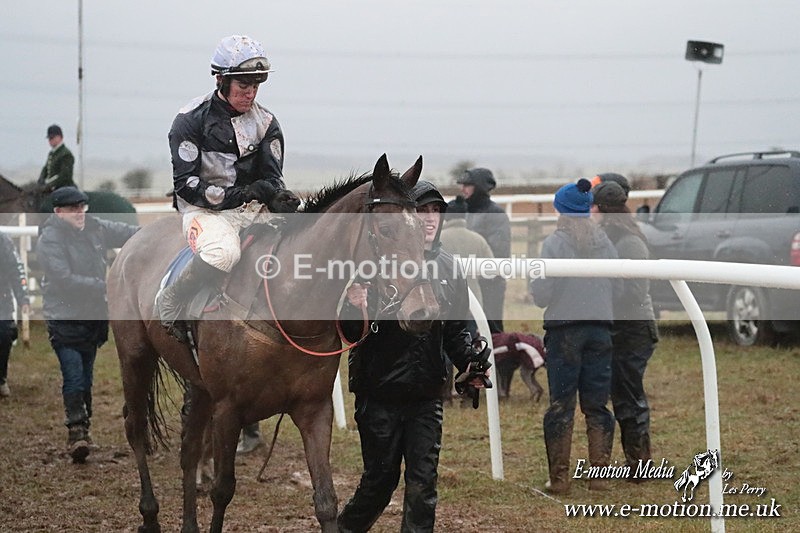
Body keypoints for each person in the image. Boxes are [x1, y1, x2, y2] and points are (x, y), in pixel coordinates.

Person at [337, 181, 491, 532]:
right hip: (378, 394)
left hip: (426, 395)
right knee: (379, 483)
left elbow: (456, 329)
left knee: (423, 484)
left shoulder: (449, 267)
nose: (430, 219)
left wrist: (470, 363)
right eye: (423, 211)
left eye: (437, 212)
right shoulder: (372, 262)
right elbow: (349, 334)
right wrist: (354, 306)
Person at [157, 34, 301, 342]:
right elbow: (186, 185)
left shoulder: (266, 122)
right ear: (221, 80)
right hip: (204, 212)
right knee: (223, 254)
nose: (250, 94)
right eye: (243, 86)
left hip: (251, 210)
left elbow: (272, 176)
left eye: (256, 86)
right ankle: (172, 297)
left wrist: (278, 196)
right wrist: (244, 194)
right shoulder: (189, 120)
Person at [36, 186, 139, 463]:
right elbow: (63, 279)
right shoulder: (50, 239)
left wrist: (157, 233)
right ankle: (76, 430)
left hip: (92, 322)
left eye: (82, 207)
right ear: (58, 212)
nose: (79, 212)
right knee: (74, 376)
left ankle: (83, 426)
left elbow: (129, 233)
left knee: (87, 379)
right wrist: (107, 287)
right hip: (64, 320)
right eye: (73, 208)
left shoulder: (95, 227)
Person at [530, 178, 619, 494]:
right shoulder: (605, 242)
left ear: (559, 210)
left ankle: (559, 479)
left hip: (565, 331)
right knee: (597, 405)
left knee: (561, 405)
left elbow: (541, 294)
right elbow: (617, 285)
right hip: (601, 330)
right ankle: (600, 475)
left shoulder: (553, 244)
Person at [592, 178, 658, 478]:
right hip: (622, 327)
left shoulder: (630, 241)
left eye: (594, 208)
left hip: (633, 329)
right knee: (622, 394)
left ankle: (640, 464)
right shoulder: (612, 236)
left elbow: (633, 292)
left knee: (629, 397)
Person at [457, 167, 510, 333]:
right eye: (462, 185)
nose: (463, 189)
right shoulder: (463, 212)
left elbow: (498, 252)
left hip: (489, 285)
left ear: (479, 187)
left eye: (468, 185)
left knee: (490, 331)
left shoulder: (496, 214)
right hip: (467, 282)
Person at [0, 231, 29, 398]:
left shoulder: (3, 241)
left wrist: (23, 298)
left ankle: (1, 378)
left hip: (1, 301)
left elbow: (16, 270)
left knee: (5, 335)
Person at [37, 124, 76, 193]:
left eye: (52, 138)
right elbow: (46, 168)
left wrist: (49, 185)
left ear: (59, 137)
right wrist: (41, 179)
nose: (50, 140)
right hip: (52, 189)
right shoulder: (52, 153)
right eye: (49, 138)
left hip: (64, 189)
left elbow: (64, 176)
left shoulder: (66, 154)